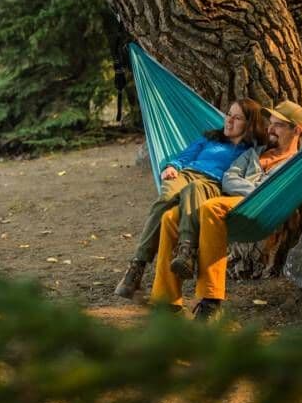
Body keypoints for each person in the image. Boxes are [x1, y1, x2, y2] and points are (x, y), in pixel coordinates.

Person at [114, 98, 266, 300]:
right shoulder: (210, 138)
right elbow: (186, 156)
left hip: (211, 185)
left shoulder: (250, 151)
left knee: (194, 189)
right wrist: (173, 166)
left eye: (237, 118)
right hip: (186, 174)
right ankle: (137, 267)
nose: (229, 121)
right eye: (228, 114)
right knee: (165, 198)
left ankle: (186, 252)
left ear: (249, 123)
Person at [181, 100, 302, 320]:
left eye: (278, 125)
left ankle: (211, 301)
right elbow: (229, 178)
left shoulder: (297, 164)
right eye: (270, 124)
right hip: (238, 204)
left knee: (211, 208)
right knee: (175, 215)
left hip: (262, 211)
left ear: (296, 130)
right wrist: (257, 191)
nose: (270, 129)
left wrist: (259, 195)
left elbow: (275, 192)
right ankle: (174, 295)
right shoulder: (255, 152)